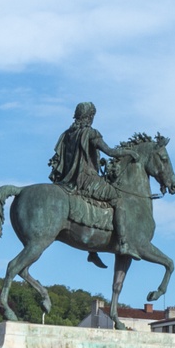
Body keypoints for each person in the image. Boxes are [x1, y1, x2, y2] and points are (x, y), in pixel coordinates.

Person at [49, 102, 125, 257]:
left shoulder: (66, 134)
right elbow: (110, 151)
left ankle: (93, 251)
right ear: (90, 116)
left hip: (67, 179)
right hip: (86, 179)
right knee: (119, 198)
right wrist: (130, 153)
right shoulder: (90, 133)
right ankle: (123, 242)